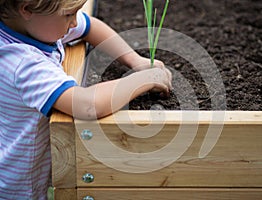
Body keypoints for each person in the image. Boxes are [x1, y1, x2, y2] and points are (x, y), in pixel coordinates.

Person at [0, 0, 172, 199]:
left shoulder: (32, 25)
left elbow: (90, 26)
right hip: (16, 189)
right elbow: (87, 105)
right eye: (68, 15)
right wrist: (143, 80)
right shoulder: (22, 64)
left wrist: (135, 60)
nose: (74, 22)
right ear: (27, 9)